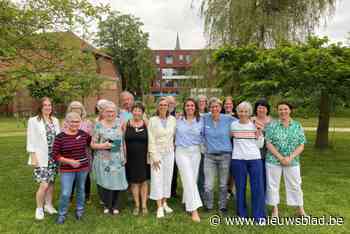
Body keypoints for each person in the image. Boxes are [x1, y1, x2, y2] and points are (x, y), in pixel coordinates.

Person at [265, 101, 307, 217]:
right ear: (277, 111)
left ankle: (300, 209)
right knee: (273, 185)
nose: (283, 111)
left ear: (290, 110)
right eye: (280, 109)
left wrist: (290, 157)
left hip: (292, 161)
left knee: (296, 184)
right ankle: (275, 209)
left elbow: (301, 144)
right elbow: (268, 143)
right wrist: (280, 157)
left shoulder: (297, 125)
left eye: (285, 109)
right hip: (273, 160)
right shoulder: (272, 125)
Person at [53, 112, 92, 224]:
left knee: (81, 190)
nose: (75, 124)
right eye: (72, 121)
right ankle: (62, 214)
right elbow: (55, 154)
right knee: (66, 192)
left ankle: (80, 211)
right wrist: (69, 161)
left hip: (83, 168)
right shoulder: (60, 137)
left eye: (77, 121)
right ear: (66, 122)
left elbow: (93, 143)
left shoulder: (84, 134)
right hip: (67, 169)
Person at [230, 102, 266, 222]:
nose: (243, 113)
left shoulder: (255, 125)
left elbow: (260, 145)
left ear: (250, 112)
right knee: (240, 188)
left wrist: (260, 134)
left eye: (246, 111)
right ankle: (242, 214)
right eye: (241, 111)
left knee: (257, 188)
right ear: (237, 112)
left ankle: (258, 216)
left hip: (254, 159)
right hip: (238, 159)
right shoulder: (233, 125)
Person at [91, 101, 128, 215]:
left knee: (118, 181)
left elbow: (122, 141)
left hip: (117, 157)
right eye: (108, 111)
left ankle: (116, 205)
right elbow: (92, 144)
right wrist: (103, 145)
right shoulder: (98, 125)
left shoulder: (120, 123)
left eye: (112, 111)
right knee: (105, 181)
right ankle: (107, 205)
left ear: (116, 112)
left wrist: (125, 155)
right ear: (103, 112)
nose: (110, 113)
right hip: (103, 157)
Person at [26, 97, 60, 220]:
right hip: (41, 157)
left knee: (51, 183)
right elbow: (30, 139)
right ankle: (39, 208)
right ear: (40, 107)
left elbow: (59, 138)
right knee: (44, 184)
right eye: (45, 105)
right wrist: (33, 156)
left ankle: (49, 205)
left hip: (53, 157)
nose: (48, 107)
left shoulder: (55, 120)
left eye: (49, 105)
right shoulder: (33, 121)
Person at [202, 97, 237, 214]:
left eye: (217, 106)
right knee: (208, 185)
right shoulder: (204, 118)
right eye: (212, 107)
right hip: (209, 156)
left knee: (223, 184)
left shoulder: (228, 119)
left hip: (225, 156)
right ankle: (209, 205)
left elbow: (242, 120)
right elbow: (192, 119)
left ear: (220, 108)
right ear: (209, 108)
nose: (214, 108)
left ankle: (222, 206)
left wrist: (253, 119)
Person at [175, 98, 203, 222]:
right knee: (189, 179)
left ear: (195, 107)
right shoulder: (178, 120)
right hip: (181, 152)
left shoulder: (201, 120)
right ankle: (194, 210)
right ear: (184, 107)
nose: (190, 107)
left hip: (196, 152)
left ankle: (187, 201)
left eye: (192, 105)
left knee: (192, 179)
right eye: (187, 105)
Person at [148, 97, 176, 218]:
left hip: (169, 153)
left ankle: (165, 202)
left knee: (167, 178)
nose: (163, 106)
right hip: (157, 153)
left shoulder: (173, 119)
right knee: (157, 178)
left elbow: (174, 136)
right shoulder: (153, 120)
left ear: (168, 107)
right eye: (161, 105)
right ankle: (159, 206)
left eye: (165, 105)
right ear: (158, 107)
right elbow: (151, 139)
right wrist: (153, 156)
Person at [63, 101, 93, 203]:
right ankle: (70, 195)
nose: (76, 110)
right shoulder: (65, 122)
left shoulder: (87, 123)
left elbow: (91, 137)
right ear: (70, 110)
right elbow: (63, 136)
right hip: (70, 153)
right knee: (71, 175)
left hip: (84, 152)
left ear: (82, 110)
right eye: (73, 108)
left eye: (78, 108)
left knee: (85, 175)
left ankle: (87, 196)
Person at [124, 102, 150, 216]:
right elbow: (121, 140)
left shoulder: (146, 123)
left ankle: (144, 205)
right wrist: (123, 155)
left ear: (142, 112)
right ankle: (137, 205)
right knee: (134, 182)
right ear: (132, 112)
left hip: (144, 157)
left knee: (144, 181)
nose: (137, 112)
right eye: (135, 110)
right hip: (130, 157)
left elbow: (152, 139)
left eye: (139, 110)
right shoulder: (126, 124)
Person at [252, 99, 272, 192]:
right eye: (259, 108)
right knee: (256, 176)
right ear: (256, 109)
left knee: (266, 176)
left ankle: (265, 195)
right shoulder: (251, 120)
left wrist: (263, 129)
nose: (261, 110)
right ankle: (258, 194)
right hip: (254, 153)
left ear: (267, 109)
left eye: (264, 108)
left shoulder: (272, 122)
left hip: (268, 153)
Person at [167, 95, 179, 198]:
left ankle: (173, 190)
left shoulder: (178, 116)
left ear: (175, 104)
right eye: (168, 103)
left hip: (176, 146)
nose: (170, 105)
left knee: (174, 169)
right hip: (164, 147)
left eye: (172, 103)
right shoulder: (160, 115)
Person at [196, 95, 208, 201]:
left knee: (203, 171)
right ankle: (196, 193)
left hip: (206, 147)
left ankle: (202, 193)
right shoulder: (194, 115)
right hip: (195, 146)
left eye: (204, 101)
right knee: (197, 171)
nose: (202, 103)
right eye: (200, 101)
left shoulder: (209, 115)